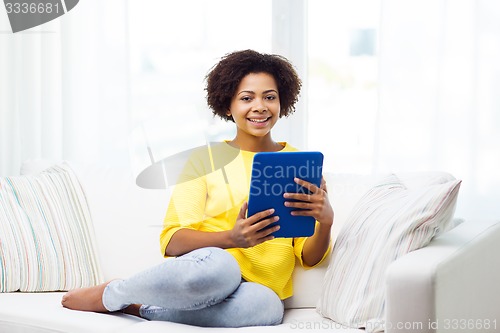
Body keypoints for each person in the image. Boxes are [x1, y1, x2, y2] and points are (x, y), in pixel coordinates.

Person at [61, 49, 334, 327]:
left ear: (282, 102)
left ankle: (138, 307)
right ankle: (113, 293)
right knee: (223, 268)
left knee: (268, 308)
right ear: (228, 106)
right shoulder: (204, 160)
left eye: (269, 97)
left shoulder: (297, 164)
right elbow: (172, 240)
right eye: (247, 98)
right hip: (210, 270)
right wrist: (232, 238)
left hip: (256, 290)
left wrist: (325, 221)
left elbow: (308, 256)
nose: (260, 106)